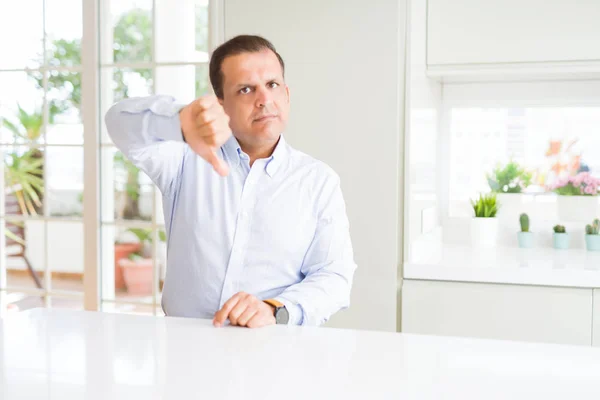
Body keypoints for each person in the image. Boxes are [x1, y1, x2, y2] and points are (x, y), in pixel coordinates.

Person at [105, 35, 357, 328]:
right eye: (246, 89)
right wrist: (180, 121)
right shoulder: (184, 159)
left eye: (272, 85)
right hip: (185, 348)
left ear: (287, 94)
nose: (264, 99)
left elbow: (334, 276)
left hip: (274, 348)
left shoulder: (318, 181)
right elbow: (118, 121)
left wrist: (275, 309)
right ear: (221, 105)